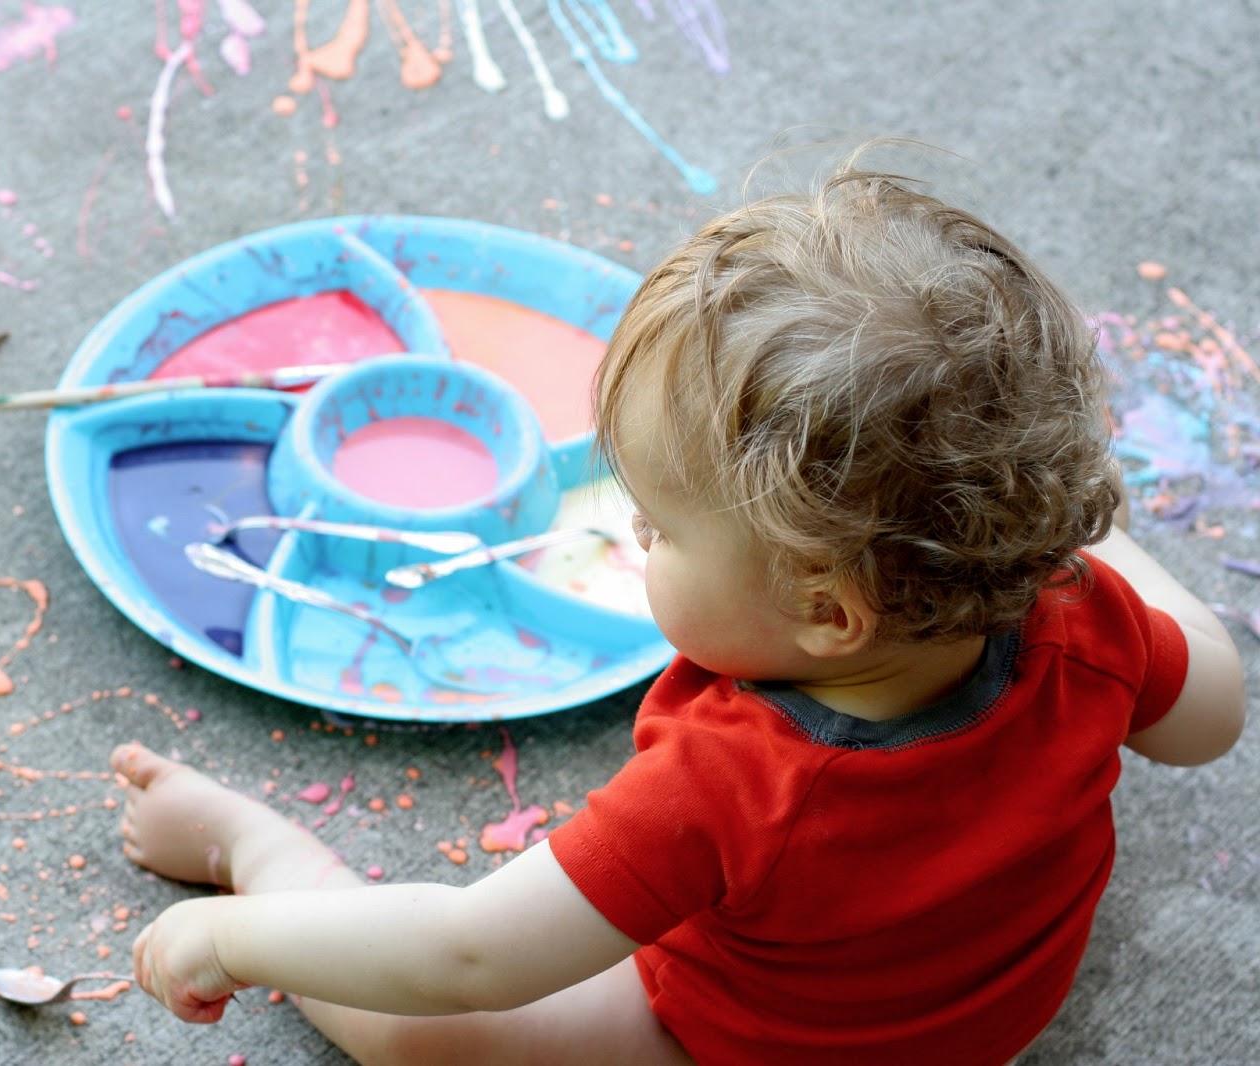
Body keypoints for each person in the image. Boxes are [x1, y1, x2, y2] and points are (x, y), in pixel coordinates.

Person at [109, 149, 1247, 1065]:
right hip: (997, 1014)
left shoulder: (737, 784)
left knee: (421, 1032)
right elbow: (1209, 720)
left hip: (755, 1043)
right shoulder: (1077, 616)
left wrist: (231, 933)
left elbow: (466, 954)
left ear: (826, 611)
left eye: (656, 524)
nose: (633, 534)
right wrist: (1068, 532)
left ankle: (251, 849)